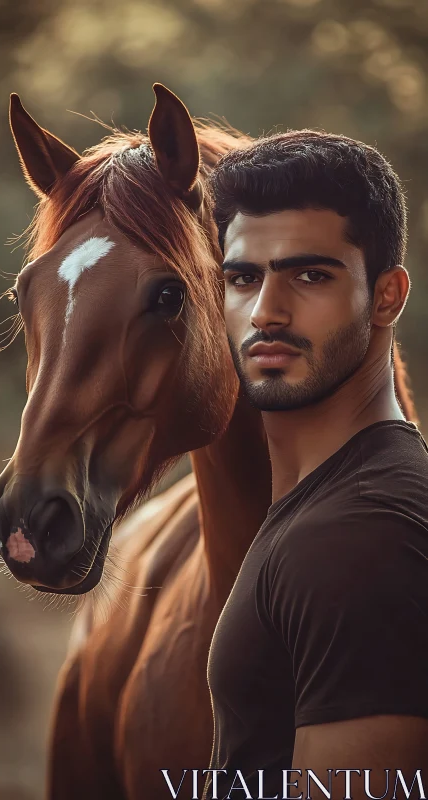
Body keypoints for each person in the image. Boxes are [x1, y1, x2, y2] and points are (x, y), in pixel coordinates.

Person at [202, 131, 428, 800]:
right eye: (242, 277)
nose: (266, 313)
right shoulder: (333, 504)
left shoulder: (360, 536)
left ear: (386, 296)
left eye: (310, 275)